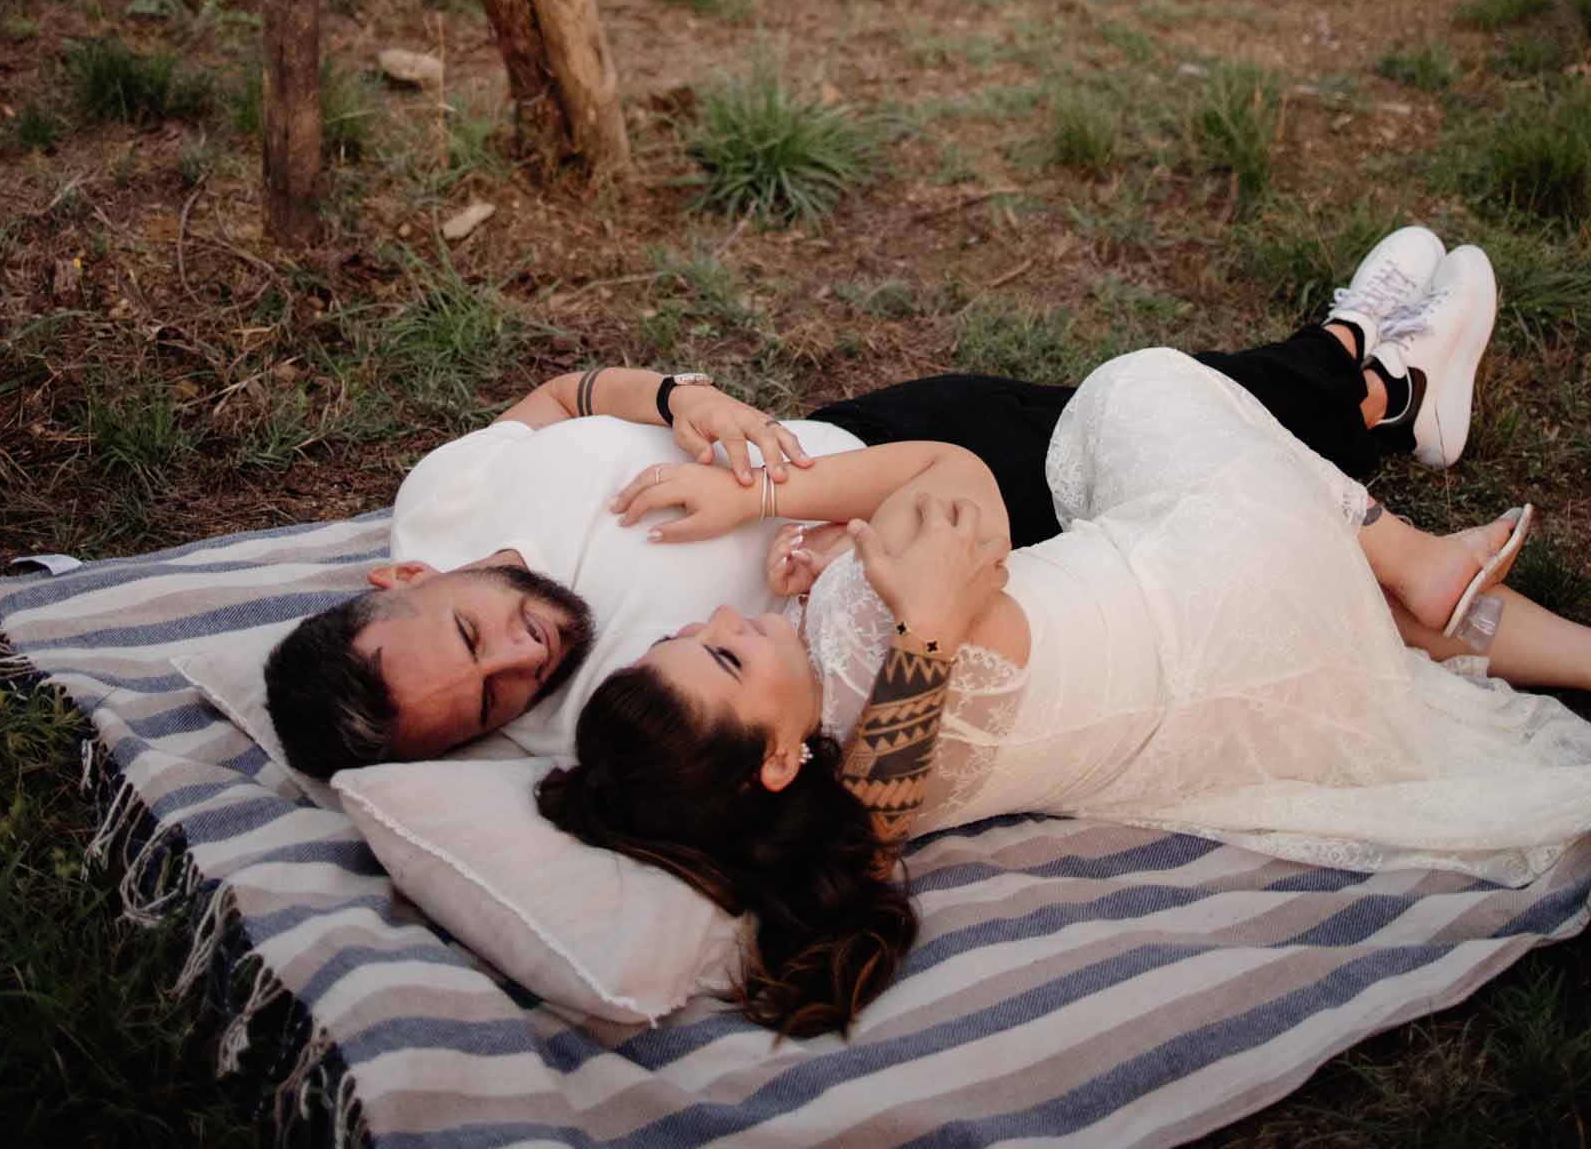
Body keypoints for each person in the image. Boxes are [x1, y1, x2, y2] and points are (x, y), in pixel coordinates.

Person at [540, 268, 1591, 1039]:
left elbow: (898, 717)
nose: (720, 624)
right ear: (773, 761)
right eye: (723, 663)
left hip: (1255, 689)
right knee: (1129, 391)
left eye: (692, 635)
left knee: (1322, 597)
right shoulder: (881, 619)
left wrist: (876, 595)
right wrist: (774, 496)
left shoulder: (857, 812)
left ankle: (1493, 608)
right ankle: (1403, 550)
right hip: (1236, 582)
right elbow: (955, 468)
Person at [264, 225, 1492, 777]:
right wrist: (818, 557)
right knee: (1141, 434)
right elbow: (803, 698)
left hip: (846, 429)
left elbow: (560, 390)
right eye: (485, 706)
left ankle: (1359, 365)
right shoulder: (585, 728)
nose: (519, 661)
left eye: (476, 637)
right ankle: (1367, 376)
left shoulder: (436, 499)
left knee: (1100, 402)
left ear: (405, 579)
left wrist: (682, 395)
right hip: (904, 521)